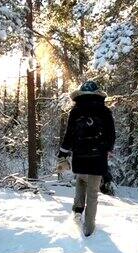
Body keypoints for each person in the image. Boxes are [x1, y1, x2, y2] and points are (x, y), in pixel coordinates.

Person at [57, 81, 115, 236]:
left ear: (81, 95)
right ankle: (89, 229)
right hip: (98, 157)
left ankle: (77, 211)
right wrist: (107, 148)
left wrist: (62, 153)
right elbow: (111, 136)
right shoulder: (105, 111)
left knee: (81, 180)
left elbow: (69, 135)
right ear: (98, 94)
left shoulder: (75, 111)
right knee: (93, 192)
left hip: (80, 156)